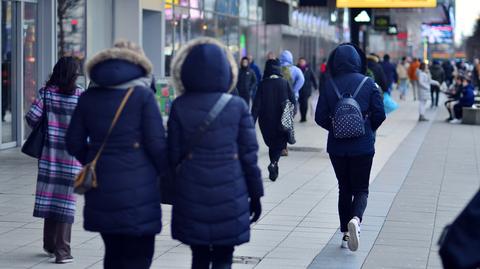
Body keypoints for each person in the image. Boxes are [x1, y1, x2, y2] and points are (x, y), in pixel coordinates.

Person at [66, 41, 167, 269]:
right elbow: (157, 145)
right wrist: (162, 172)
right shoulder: (143, 97)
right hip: (140, 189)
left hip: (101, 186)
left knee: (112, 253)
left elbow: (72, 141)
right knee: (139, 256)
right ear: (139, 64)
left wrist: (93, 160)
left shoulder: (89, 97)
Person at [168, 37, 264, 269]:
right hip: (230, 192)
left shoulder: (180, 106)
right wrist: (256, 194)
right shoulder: (237, 106)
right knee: (224, 256)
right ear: (226, 72)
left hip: (192, 192)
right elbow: (249, 157)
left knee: (198, 256)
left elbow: (171, 156)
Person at [315, 43, 386, 252]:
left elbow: (319, 117)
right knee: (361, 188)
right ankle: (356, 219)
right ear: (358, 61)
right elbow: (380, 114)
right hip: (363, 147)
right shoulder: (369, 83)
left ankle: (346, 233)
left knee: (343, 188)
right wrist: (366, 128)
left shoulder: (329, 85)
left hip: (337, 148)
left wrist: (336, 127)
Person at [25, 57, 83, 264]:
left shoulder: (47, 93)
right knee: (66, 202)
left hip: (49, 156)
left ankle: (49, 245)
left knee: (51, 198)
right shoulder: (80, 95)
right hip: (72, 158)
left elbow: (32, 117)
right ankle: (62, 252)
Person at [252, 59, 295, 181]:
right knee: (279, 144)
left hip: (266, 120)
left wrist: (251, 122)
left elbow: (256, 106)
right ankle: (274, 163)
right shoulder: (284, 83)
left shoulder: (262, 84)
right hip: (282, 119)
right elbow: (293, 101)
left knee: (272, 143)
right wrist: (291, 114)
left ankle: (273, 165)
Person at [297, 57, 318, 122]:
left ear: (305, 62)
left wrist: (316, 86)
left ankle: (304, 117)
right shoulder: (297, 69)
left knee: (305, 103)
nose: (301, 63)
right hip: (299, 89)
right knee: (300, 103)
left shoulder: (308, 69)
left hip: (306, 89)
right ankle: (302, 116)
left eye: (303, 61)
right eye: (300, 62)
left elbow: (313, 78)